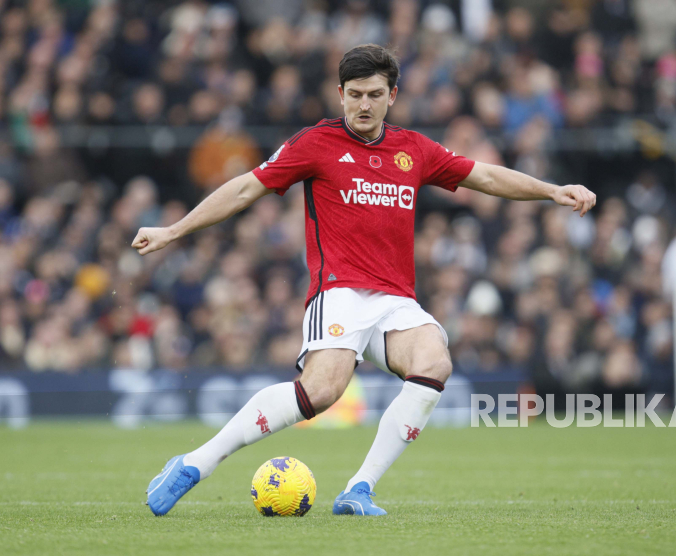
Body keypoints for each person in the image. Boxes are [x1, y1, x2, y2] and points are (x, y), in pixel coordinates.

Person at [134, 44, 596, 517]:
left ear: (392, 95)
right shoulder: (316, 143)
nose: (363, 105)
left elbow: (487, 178)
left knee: (434, 361)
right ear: (339, 94)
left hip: (395, 300)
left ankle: (359, 488)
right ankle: (196, 463)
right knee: (322, 390)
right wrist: (174, 230)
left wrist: (550, 191)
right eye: (354, 94)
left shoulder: (413, 149)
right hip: (339, 291)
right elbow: (247, 186)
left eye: (374, 94)